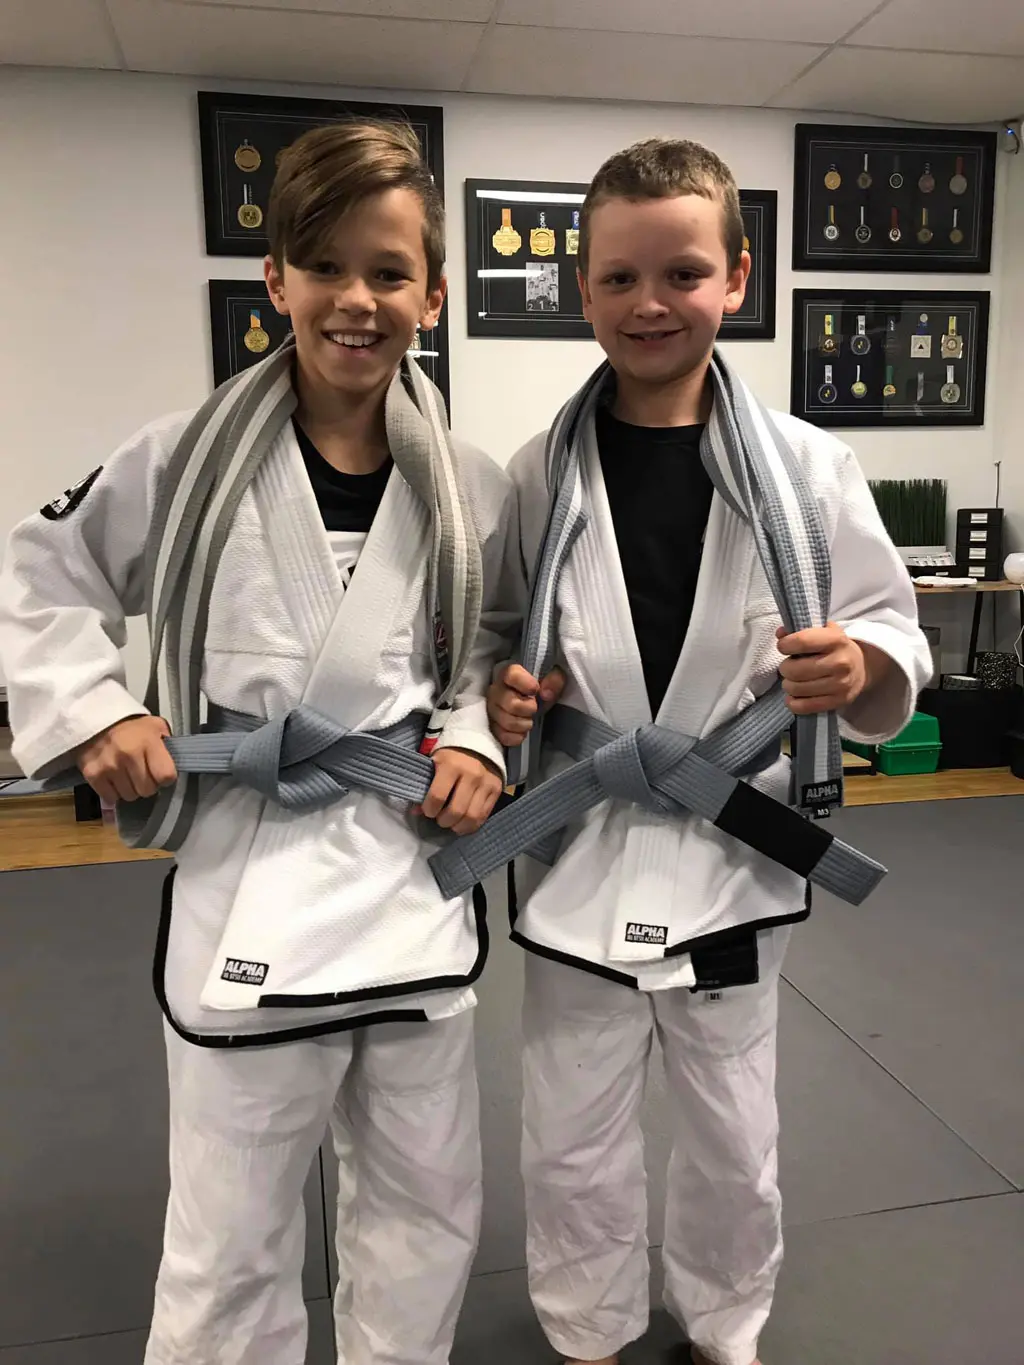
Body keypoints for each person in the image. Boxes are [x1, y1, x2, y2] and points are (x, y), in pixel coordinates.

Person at [0, 121, 519, 1365]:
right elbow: (39, 572)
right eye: (323, 265)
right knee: (229, 1234)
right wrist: (101, 711)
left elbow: (489, 651)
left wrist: (472, 742)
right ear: (273, 278)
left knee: (426, 1213)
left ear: (432, 295)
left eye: (390, 273)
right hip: (251, 874)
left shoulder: (473, 481)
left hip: (405, 871)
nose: (358, 299)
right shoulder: (180, 459)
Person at [484, 139, 932, 1365]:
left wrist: (863, 668)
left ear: (736, 277)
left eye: (682, 272)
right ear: (582, 290)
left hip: (731, 850)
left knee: (731, 1122)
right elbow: (490, 633)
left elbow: (890, 618)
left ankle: (726, 1322)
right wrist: (503, 697)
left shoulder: (806, 465)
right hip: (581, 843)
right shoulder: (540, 473)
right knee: (569, 1124)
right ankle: (584, 1326)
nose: (649, 304)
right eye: (619, 278)